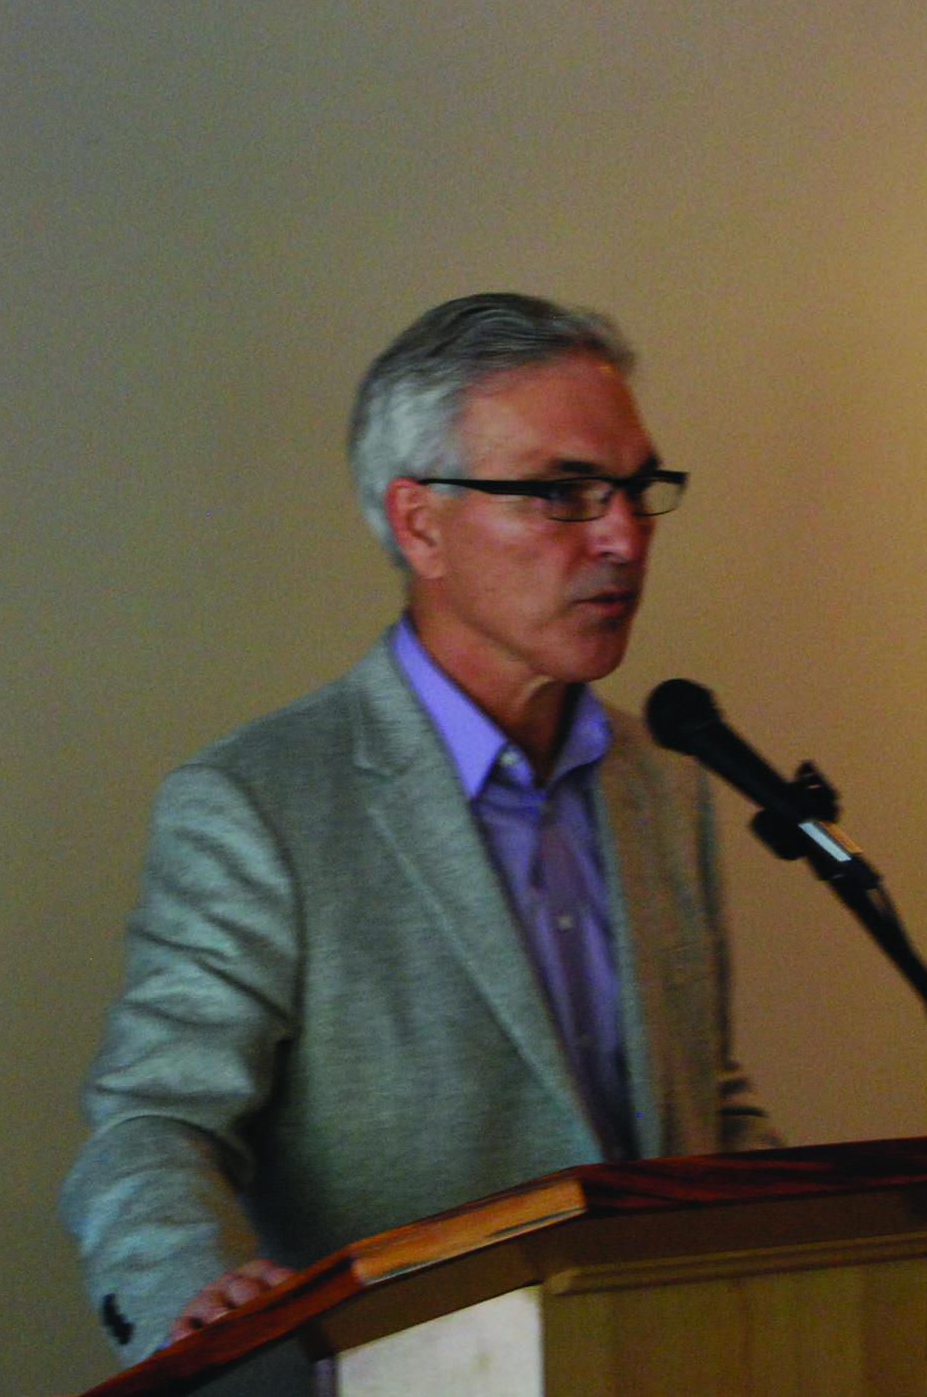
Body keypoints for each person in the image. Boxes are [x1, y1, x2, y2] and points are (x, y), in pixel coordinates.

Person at [59, 293, 779, 1391]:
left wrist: (870, 1250)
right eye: (563, 492)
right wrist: (191, 1303)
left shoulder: (666, 783)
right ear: (419, 523)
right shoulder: (260, 803)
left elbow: (704, 1109)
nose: (623, 534)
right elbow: (151, 1124)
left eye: (637, 488)